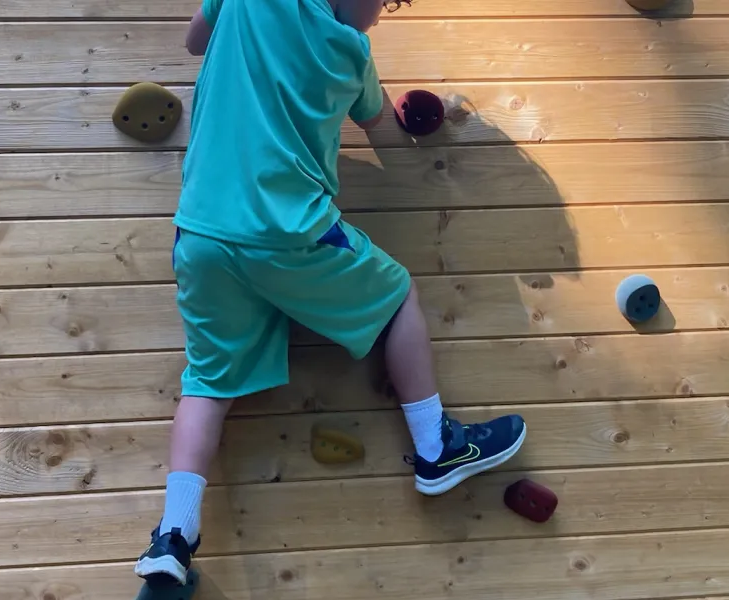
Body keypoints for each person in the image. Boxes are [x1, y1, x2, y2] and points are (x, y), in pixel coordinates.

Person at [133, 0, 528, 586]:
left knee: (208, 383)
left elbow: (195, 41)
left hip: (202, 234)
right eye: (384, 2)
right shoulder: (351, 51)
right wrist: (419, 115)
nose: (381, 14)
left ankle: (173, 536)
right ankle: (436, 446)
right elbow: (382, 130)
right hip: (291, 230)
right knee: (396, 296)